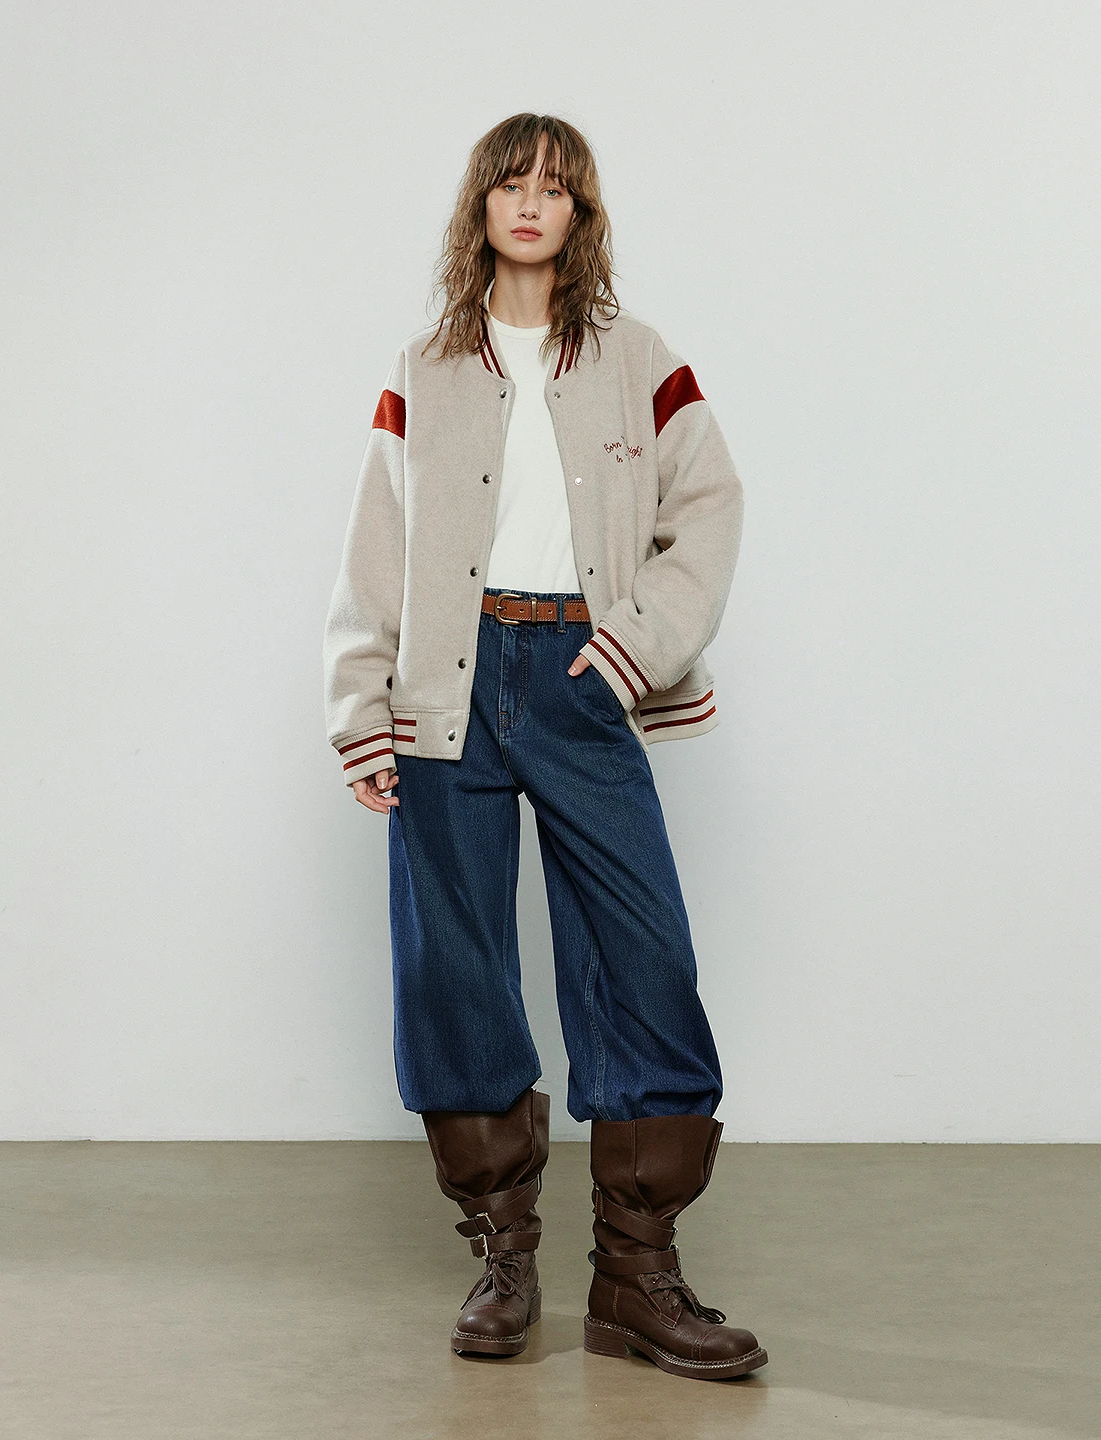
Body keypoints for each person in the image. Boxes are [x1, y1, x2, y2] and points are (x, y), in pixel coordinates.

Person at [323, 113, 766, 1381]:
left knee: (642, 958)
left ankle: (634, 1278)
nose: (531, 203)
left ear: (581, 214)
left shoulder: (639, 359)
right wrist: (362, 710)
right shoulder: (424, 368)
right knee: (454, 969)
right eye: (510, 183)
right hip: (444, 687)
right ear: (481, 206)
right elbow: (374, 551)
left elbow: (711, 506)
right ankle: (503, 1259)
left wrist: (635, 645)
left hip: (579, 674)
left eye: (555, 187)